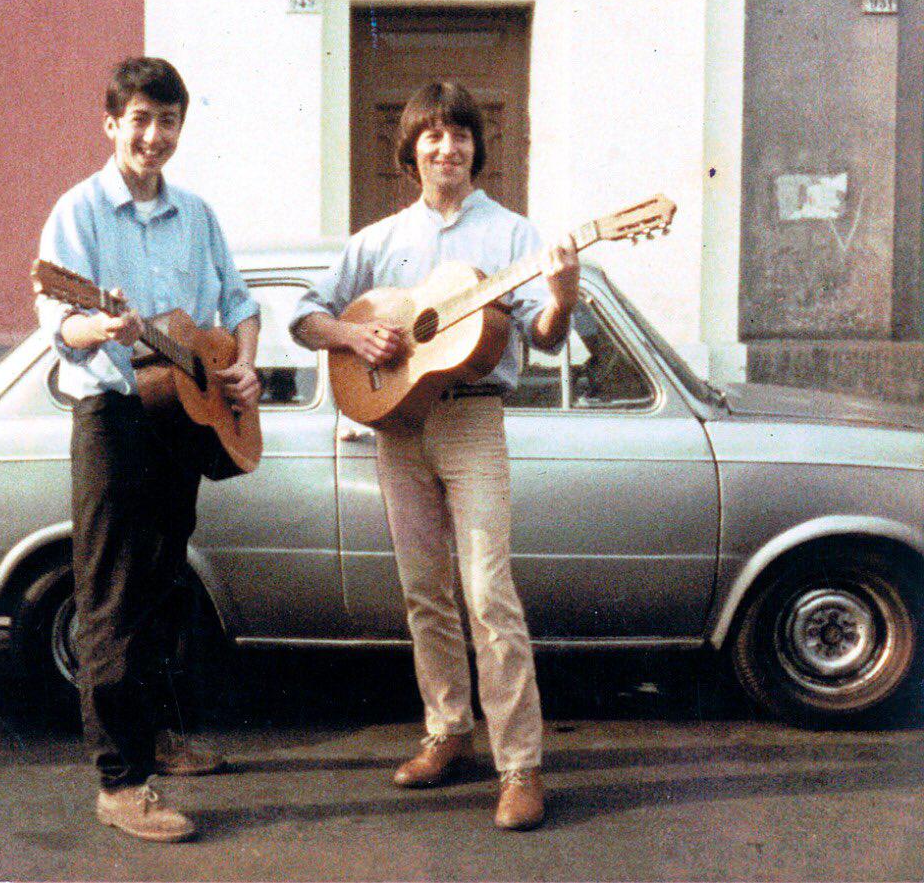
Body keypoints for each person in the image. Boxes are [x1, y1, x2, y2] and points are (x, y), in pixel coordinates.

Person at [290, 81, 579, 830]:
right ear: (410, 150)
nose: (447, 147)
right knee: (423, 588)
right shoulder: (379, 240)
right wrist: (356, 338)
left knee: (488, 593)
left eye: (459, 135)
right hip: (397, 426)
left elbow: (542, 338)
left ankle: (520, 766)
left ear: (477, 148)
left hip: (474, 423)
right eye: (432, 136)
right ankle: (447, 730)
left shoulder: (515, 235)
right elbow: (303, 316)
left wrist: (564, 294)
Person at [36, 57, 261, 843]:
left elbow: (237, 303)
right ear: (111, 124)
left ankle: (159, 738)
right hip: (113, 416)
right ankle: (121, 782)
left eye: (167, 121)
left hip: (182, 421)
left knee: (166, 585)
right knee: (112, 596)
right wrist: (103, 324)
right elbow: (58, 322)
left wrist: (241, 363)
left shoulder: (196, 214)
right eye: (139, 119)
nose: (153, 136)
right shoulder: (79, 212)